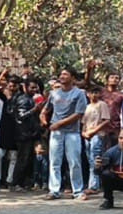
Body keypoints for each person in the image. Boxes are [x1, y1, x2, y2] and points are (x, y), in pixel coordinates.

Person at [41, 67, 87, 200]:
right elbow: (46, 109)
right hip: (56, 133)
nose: (62, 76)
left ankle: (77, 191)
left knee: (74, 162)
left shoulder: (79, 93)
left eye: (66, 74)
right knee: (54, 161)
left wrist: (59, 123)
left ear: (73, 78)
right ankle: (54, 190)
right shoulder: (54, 93)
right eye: (61, 74)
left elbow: (78, 114)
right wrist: (43, 119)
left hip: (72, 133)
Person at [11, 77, 42, 191]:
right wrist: (35, 109)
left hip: (30, 134)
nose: (35, 89)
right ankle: (16, 183)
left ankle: (24, 183)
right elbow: (21, 116)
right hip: (23, 134)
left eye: (36, 87)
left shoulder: (31, 98)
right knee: (22, 160)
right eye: (32, 87)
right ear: (25, 87)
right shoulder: (23, 99)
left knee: (28, 160)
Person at [94, 128, 123, 209]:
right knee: (106, 174)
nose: (122, 141)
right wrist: (97, 166)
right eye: (120, 138)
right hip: (118, 180)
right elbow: (99, 173)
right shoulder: (111, 152)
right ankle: (108, 200)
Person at [82, 85, 111, 194]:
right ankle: (93, 184)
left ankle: (95, 186)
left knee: (96, 159)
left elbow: (106, 120)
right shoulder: (87, 106)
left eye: (97, 92)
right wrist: (84, 132)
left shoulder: (102, 105)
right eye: (92, 92)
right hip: (87, 135)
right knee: (90, 160)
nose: (94, 95)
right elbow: (84, 122)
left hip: (98, 134)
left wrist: (93, 131)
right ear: (88, 94)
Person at [98, 71, 123, 149]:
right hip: (100, 126)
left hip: (115, 126)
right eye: (112, 77)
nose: (114, 79)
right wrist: (90, 70)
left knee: (113, 150)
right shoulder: (101, 92)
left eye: (117, 78)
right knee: (98, 151)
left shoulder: (122, 95)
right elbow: (88, 83)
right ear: (107, 80)